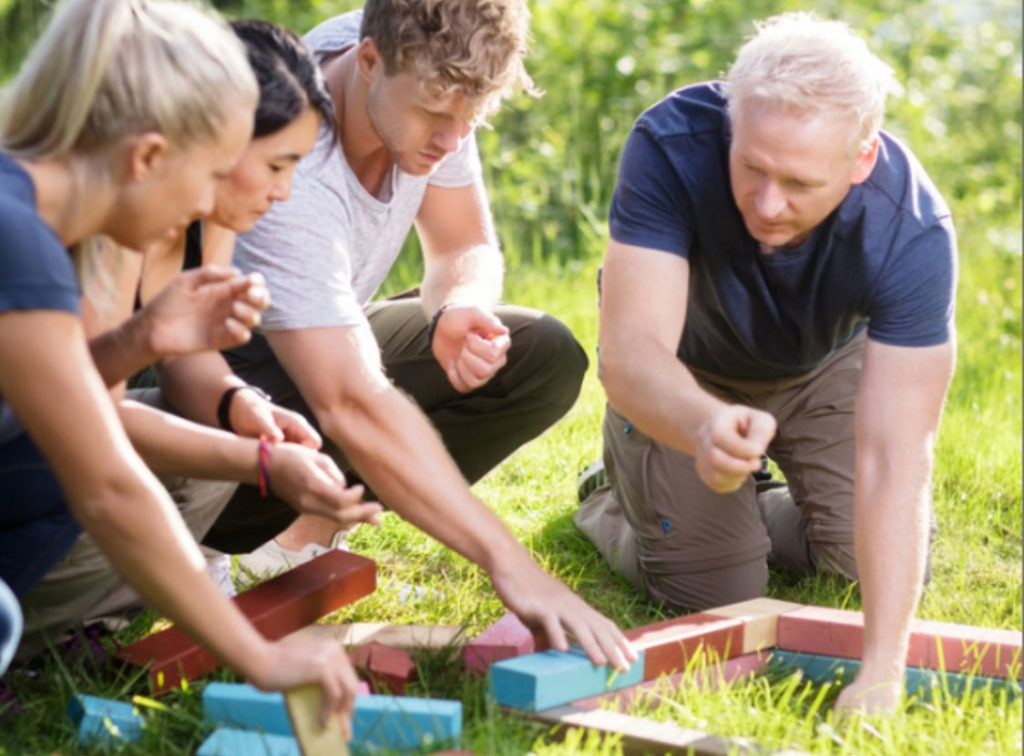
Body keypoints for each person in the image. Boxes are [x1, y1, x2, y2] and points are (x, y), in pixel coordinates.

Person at [207, 0, 636, 668]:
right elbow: (351, 399)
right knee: (332, 383)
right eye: (437, 115)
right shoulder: (299, 164)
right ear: (368, 59)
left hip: (320, 353)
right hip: (212, 390)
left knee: (540, 354)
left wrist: (457, 306)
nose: (452, 140)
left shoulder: (430, 77)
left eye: (473, 118)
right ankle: (218, 534)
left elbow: (465, 241)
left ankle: (300, 535)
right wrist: (510, 561)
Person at [575, 12, 956, 713]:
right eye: (751, 166)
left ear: (861, 159)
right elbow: (631, 356)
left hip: (820, 369)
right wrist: (701, 425)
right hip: (686, 374)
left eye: (799, 182)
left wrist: (882, 670)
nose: (768, 203)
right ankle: (608, 497)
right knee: (717, 595)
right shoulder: (670, 144)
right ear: (731, 122)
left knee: (865, 571)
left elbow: (898, 457)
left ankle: (749, 505)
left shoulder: (911, 230)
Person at [0, 0, 357, 730]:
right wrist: (260, 657)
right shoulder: (20, 243)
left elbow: (68, 406)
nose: (208, 204)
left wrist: (142, 344)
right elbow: (108, 488)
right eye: (212, 172)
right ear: (148, 156)